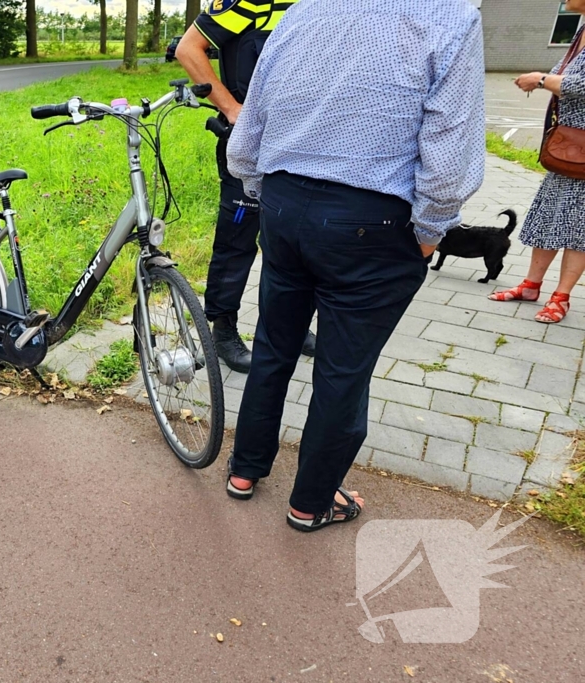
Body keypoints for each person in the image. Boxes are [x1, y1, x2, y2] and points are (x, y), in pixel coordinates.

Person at [224, 0, 485, 531]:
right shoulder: (449, 16)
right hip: (372, 219)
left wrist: (257, 187)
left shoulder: (303, 11)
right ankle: (310, 502)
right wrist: (432, 230)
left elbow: (254, 117)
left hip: (283, 201)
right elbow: (450, 139)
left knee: (274, 345)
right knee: (343, 369)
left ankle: (244, 472)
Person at [175, 0, 315, 374]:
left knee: (293, 238)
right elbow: (189, 48)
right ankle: (223, 331)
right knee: (238, 240)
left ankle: (291, 325)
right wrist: (231, 108)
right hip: (251, 145)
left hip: (302, 142)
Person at [488, 11, 585, 324]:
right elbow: (566, 79)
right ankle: (531, 285)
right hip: (567, 146)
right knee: (548, 216)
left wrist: (541, 80)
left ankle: (562, 298)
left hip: (581, 147)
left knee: (578, 227)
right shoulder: (580, 31)